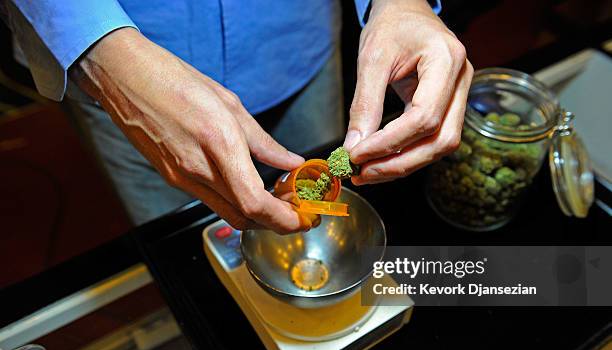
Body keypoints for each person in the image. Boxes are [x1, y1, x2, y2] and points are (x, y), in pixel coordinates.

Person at [2, 0, 472, 233]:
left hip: (296, 42)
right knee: (181, 240)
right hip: (130, 77)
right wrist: (100, 55)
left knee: (314, 219)